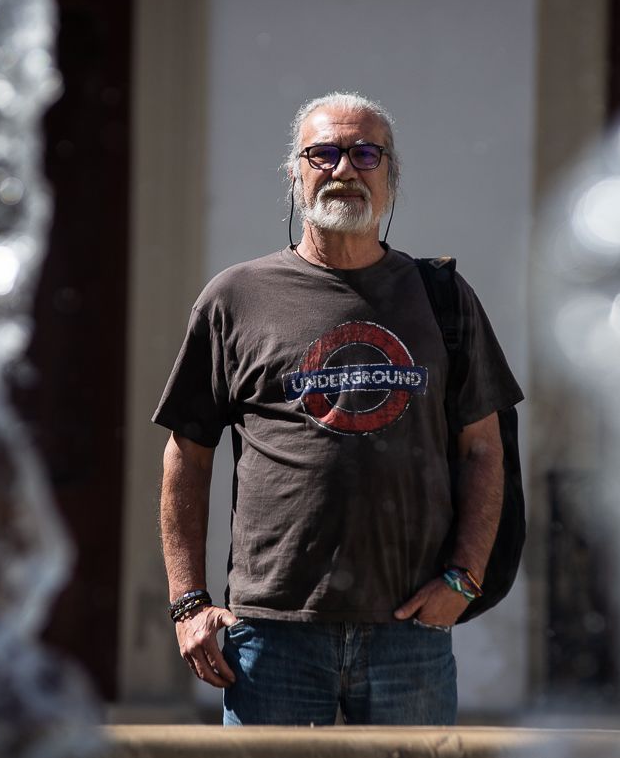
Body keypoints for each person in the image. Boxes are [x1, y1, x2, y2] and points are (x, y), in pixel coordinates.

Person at [153, 91, 523, 726]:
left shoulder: (443, 298)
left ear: (390, 175)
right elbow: (186, 453)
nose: (344, 168)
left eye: (364, 152)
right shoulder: (235, 298)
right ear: (296, 172)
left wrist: (464, 580)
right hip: (273, 635)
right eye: (323, 153)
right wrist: (188, 602)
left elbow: (483, 448)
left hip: (409, 633)